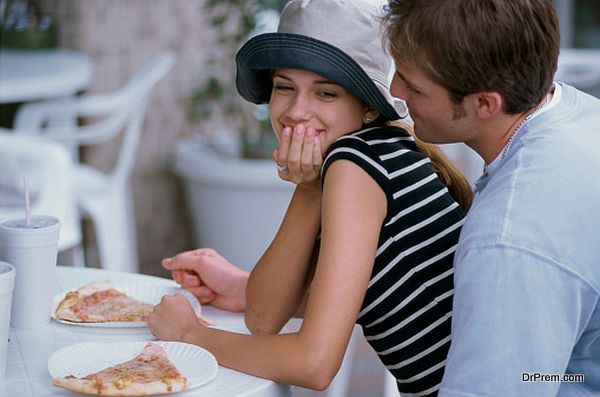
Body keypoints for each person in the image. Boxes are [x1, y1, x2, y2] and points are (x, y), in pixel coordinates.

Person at [149, 0, 472, 395]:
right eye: (284, 87)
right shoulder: (380, 149)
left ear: (368, 105)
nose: (297, 111)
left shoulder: (357, 164)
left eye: (326, 93)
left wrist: (190, 335)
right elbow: (264, 317)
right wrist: (307, 188)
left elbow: (313, 365)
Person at [383, 0, 600, 395]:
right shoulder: (579, 115)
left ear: (485, 103)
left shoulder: (510, 240)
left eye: (414, 86)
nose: (395, 90)